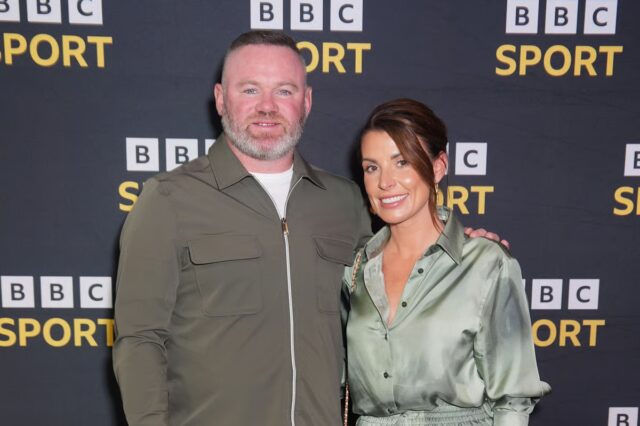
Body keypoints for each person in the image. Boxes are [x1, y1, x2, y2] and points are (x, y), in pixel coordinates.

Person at [113, 31, 503, 426]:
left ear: (307, 102)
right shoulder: (168, 201)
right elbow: (139, 340)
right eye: (250, 89)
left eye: (284, 91)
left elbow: (403, 280)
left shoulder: (346, 201)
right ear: (220, 98)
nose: (267, 106)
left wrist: (458, 248)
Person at [343, 99, 550, 426]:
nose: (385, 182)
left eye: (402, 162)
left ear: (438, 167)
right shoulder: (354, 270)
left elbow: (513, 398)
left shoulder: (485, 263)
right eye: (372, 167)